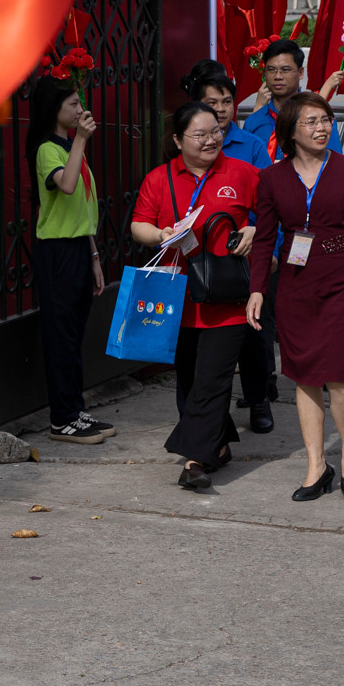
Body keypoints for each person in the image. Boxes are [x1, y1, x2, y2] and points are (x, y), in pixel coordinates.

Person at [248, 91, 344, 501]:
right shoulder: (271, 179)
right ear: (290, 130)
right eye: (311, 121)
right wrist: (256, 288)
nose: (322, 127)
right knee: (303, 374)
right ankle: (315, 465)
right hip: (295, 284)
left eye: (326, 119)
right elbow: (263, 240)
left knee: (341, 372)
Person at [132, 102, 259, 490]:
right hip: (177, 298)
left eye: (216, 132)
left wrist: (255, 230)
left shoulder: (244, 173)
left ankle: (194, 460)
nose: (211, 140)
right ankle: (218, 445)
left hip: (228, 298)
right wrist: (159, 235)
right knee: (188, 380)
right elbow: (139, 225)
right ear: (177, 140)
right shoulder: (159, 179)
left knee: (212, 378)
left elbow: (273, 216)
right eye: (199, 135)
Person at [186, 60, 274, 432]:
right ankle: (211, 414)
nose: (221, 109)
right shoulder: (190, 147)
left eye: (226, 101)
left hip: (244, 260)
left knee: (255, 334)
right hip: (202, 260)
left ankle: (258, 400)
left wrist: (256, 234)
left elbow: (270, 203)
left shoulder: (251, 146)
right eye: (212, 102)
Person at [27, 77, 115, 444]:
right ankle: (61, 419)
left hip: (78, 247)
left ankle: (74, 410)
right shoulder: (49, 149)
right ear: (54, 110)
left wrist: (93, 255)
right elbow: (65, 186)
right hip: (57, 252)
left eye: (80, 104)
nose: (80, 111)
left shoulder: (67, 145)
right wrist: (80, 138)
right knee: (61, 337)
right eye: (73, 105)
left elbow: (80, 207)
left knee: (74, 335)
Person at [244, 39, 342, 158]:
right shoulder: (253, 122)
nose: (278, 76)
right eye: (271, 70)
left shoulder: (320, 121)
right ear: (265, 73)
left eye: (285, 70)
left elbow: (334, 163)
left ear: (301, 73)